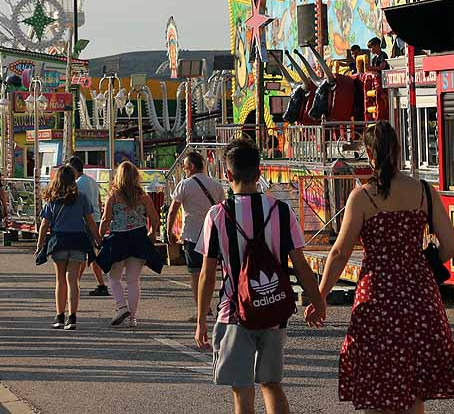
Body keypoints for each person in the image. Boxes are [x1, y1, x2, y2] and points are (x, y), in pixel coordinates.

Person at [316, 123, 454, 412]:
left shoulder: (362, 196)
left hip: (377, 295)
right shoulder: (423, 191)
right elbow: (452, 245)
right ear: (397, 152)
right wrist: (422, 262)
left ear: (369, 154)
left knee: (375, 382)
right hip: (418, 294)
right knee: (413, 387)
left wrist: (320, 294)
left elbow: (339, 252)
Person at [195, 138, 325, 414]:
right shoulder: (281, 211)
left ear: (227, 175)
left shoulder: (217, 215)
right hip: (273, 308)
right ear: (260, 172)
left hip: (234, 311)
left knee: (242, 389)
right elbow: (300, 264)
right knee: (271, 383)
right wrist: (317, 300)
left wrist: (200, 320)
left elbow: (207, 274)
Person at [97, 161, 163, 327]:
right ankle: (132, 318)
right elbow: (154, 218)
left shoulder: (113, 195)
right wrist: (152, 233)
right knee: (133, 280)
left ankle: (121, 307)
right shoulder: (143, 196)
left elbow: (106, 219)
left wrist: (99, 237)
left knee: (113, 277)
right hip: (138, 238)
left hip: (118, 239)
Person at [34, 164, 100, 331]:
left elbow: (44, 225)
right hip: (78, 240)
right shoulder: (82, 198)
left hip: (59, 241)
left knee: (60, 280)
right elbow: (90, 222)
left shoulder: (52, 199)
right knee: (73, 281)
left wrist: (40, 243)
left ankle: (59, 316)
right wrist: (98, 239)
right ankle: (72, 317)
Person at [166, 150, 225, 320]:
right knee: (212, 272)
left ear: (191, 166)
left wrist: (169, 232)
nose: (184, 170)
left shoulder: (185, 185)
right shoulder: (217, 185)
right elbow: (222, 211)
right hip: (214, 235)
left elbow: (173, 210)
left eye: (184, 167)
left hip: (192, 235)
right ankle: (215, 306)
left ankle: (202, 310)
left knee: (195, 274)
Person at [66, 156, 109, 297]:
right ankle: (76, 282)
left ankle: (99, 284)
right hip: (95, 219)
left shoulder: (77, 184)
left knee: (86, 255)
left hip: (85, 221)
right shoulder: (92, 181)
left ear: (73, 169)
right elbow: (99, 201)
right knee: (87, 254)